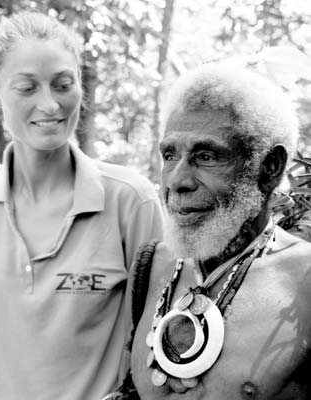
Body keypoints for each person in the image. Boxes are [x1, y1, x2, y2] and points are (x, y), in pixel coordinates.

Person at [0, 10, 163, 400]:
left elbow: (158, 350)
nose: (50, 105)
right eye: (27, 87)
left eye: (63, 84)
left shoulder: (130, 201)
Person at [110, 63, 311, 399]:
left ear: (269, 167)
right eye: (170, 154)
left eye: (205, 156)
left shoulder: (304, 281)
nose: (177, 181)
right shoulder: (151, 266)